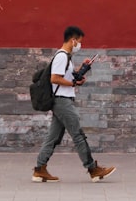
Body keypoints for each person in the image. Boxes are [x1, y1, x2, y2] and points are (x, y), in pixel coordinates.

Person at [33, 25, 116, 183]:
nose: (79, 45)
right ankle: (92, 168)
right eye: (79, 41)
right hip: (62, 101)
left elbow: (68, 78)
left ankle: (39, 169)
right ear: (73, 40)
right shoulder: (62, 56)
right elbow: (55, 78)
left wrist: (80, 72)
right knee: (78, 135)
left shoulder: (66, 58)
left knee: (53, 137)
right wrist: (72, 85)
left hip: (62, 100)